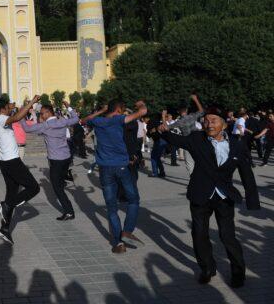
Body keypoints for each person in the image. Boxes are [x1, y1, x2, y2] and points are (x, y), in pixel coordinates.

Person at [158, 107, 260, 287]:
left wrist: (252, 201)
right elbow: (175, 139)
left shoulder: (237, 144)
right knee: (199, 234)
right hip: (200, 194)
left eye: (213, 121)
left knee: (228, 236)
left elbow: (247, 174)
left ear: (224, 124)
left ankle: (238, 272)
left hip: (224, 196)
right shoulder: (197, 138)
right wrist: (161, 130)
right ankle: (207, 268)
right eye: (206, 121)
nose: (208, 124)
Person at [81, 99, 147, 254]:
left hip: (104, 169)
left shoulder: (98, 121)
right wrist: (140, 104)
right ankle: (127, 231)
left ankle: (118, 244)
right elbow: (143, 112)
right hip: (121, 167)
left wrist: (100, 111)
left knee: (112, 208)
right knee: (133, 199)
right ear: (119, 110)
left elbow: (83, 120)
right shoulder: (118, 119)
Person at [0, 95, 41, 245]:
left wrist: (11, 106)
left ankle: (4, 229)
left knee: (12, 193)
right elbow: (17, 117)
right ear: (2, 109)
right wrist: (31, 103)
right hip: (12, 161)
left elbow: (11, 113)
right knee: (34, 187)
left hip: (5, 163)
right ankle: (7, 205)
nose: (10, 109)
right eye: (7, 108)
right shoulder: (0, 119)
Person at [20, 102, 80, 220]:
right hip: (66, 157)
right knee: (60, 180)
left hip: (56, 160)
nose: (41, 116)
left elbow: (26, 128)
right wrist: (69, 107)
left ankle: (69, 212)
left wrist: (21, 116)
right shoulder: (62, 121)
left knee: (57, 188)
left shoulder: (46, 126)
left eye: (42, 113)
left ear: (48, 112)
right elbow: (76, 118)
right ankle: (66, 176)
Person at [167, 94, 205, 173]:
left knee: (189, 163)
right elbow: (202, 111)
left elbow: (166, 128)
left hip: (188, 141)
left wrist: (164, 116)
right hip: (197, 139)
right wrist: (195, 99)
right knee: (200, 160)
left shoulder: (179, 122)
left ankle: (193, 179)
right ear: (187, 110)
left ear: (178, 112)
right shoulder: (192, 116)